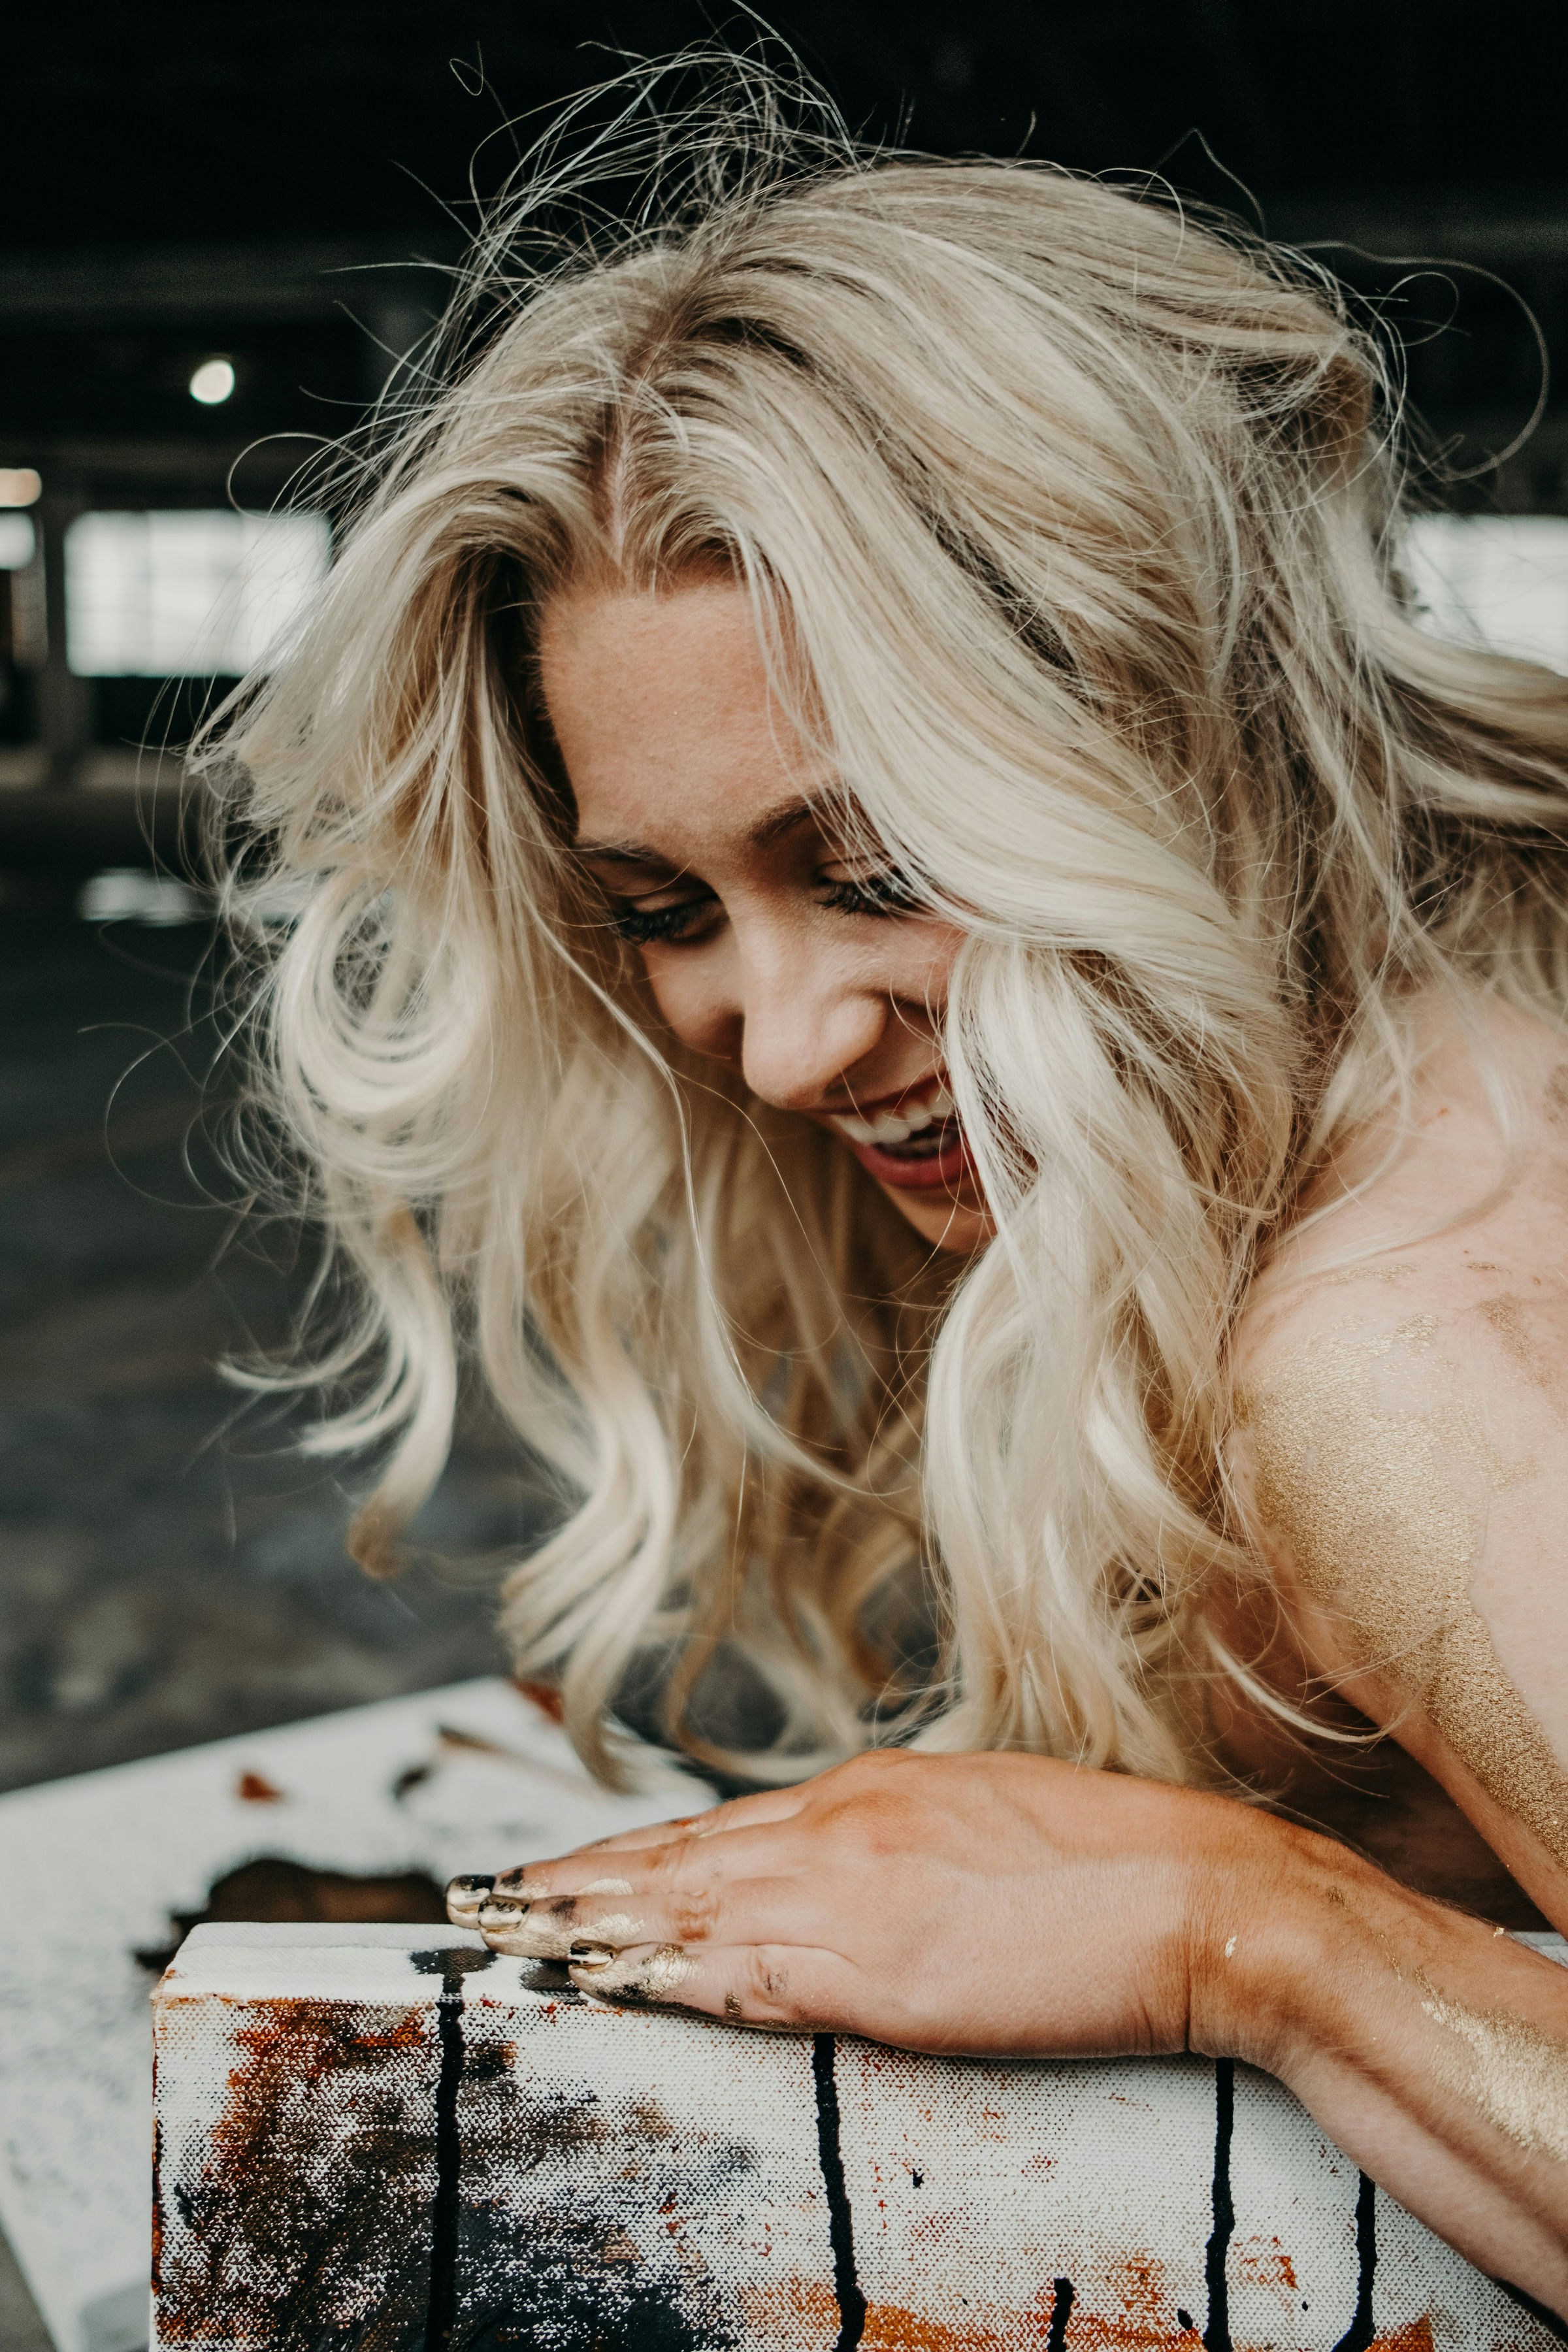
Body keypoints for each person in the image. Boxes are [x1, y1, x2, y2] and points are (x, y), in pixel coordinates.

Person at [213, 65, 1568, 2306]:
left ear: (1180, 741)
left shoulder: (1395, 1366)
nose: (780, 1033)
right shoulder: (1432, 1052)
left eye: (882, 871)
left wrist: (1257, 1935)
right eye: (664, 909)